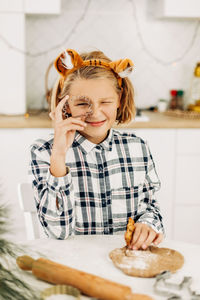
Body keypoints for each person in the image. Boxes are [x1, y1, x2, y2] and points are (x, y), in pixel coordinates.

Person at [29, 48, 164, 249]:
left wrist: (147, 225)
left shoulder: (138, 148)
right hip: (75, 265)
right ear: (64, 106)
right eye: (83, 103)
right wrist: (58, 155)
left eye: (105, 102)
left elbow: (150, 209)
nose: (95, 112)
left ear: (119, 99)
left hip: (125, 263)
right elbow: (57, 232)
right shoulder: (44, 152)